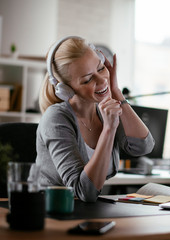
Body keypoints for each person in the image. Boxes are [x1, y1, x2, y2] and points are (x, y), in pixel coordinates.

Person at [36, 36, 155, 202]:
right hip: (52, 210)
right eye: (87, 79)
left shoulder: (102, 109)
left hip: (88, 211)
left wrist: (116, 92)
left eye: (100, 68)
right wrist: (109, 128)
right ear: (66, 90)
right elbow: (84, 191)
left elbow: (143, 146)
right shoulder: (56, 118)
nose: (101, 80)